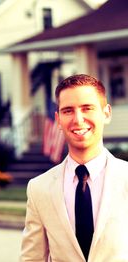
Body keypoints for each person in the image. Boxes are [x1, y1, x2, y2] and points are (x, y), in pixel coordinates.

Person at [20, 74, 128, 262]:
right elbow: (32, 258)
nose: (78, 120)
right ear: (58, 119)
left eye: (87, 108)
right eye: (68, 110)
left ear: (106, 113)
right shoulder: (39, 188)